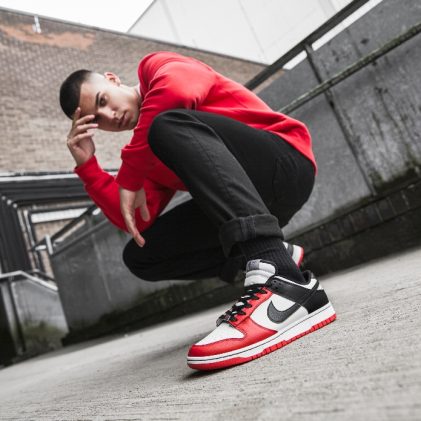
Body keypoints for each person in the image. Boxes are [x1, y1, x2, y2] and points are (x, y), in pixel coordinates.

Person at [60, 51, 335, 371]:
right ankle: (275, 254)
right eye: (97, 119)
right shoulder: (147, 151)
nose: (110, 115)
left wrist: (130, 169)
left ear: (112, 79)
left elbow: (178, 92)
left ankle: (282, 280)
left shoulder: (155, 69)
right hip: (251, 203)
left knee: (163, 124)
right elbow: (135, 220)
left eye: (104, 100)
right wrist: (88, 166)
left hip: (284, 164)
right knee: (142, 255)